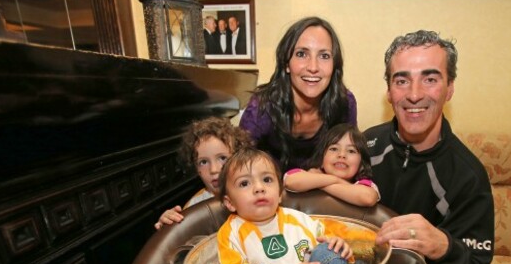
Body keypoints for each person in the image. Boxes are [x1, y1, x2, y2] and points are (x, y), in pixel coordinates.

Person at [365, 30, 494, 264]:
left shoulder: (468, 176)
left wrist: (444, 246)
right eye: (402, 80)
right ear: (389, 90)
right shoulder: (365, 146)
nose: (414, 94)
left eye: (430, 79)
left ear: (449, 89)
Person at [216, 147, 352, 264]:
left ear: (280, 193)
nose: (259, 188)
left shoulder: (299, 220)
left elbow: (329, 245)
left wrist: (337, 244)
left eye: (267, 180)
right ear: (230, 203)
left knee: (328, 249)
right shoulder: (231, 234)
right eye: (244, 183)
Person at [239, 16, 357, 171]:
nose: (313, 67)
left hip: (325, 185)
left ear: (334, 65)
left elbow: (350, 165)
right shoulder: (261, 109)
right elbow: (237, 168)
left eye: (324, 56)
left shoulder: (344, 103)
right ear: (286, 64)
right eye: (301, 54)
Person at [154, 117, 252, 230]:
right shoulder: (194, 206)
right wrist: (167, 226)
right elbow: (181, 235)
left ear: (239, 158)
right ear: (196, 168)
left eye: (222, 158)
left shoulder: (254, 190)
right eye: (203, 162)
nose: (214, 169)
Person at [284, 123, 379, 207]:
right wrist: (334, 180)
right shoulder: (308, 174)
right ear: (321, 159)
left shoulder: (364, 185)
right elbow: (290, 181)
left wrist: (327, 181)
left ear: (361, 164)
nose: (341, 155)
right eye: (334, 149)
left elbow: (367, 198)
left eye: (351, 151)